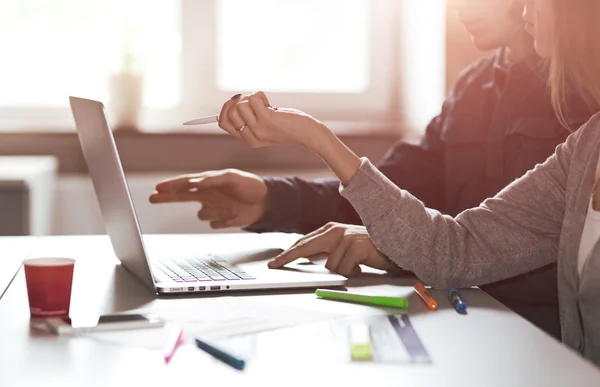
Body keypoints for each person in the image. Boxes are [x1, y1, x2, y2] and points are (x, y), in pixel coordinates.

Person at [168, 0, 600, 366]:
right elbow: (426, 223)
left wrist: (396, 255)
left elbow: (532, 258)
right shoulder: (489, 95)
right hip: (468, 319)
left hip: (532, 342)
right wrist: (269, 196)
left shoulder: (577, 97)